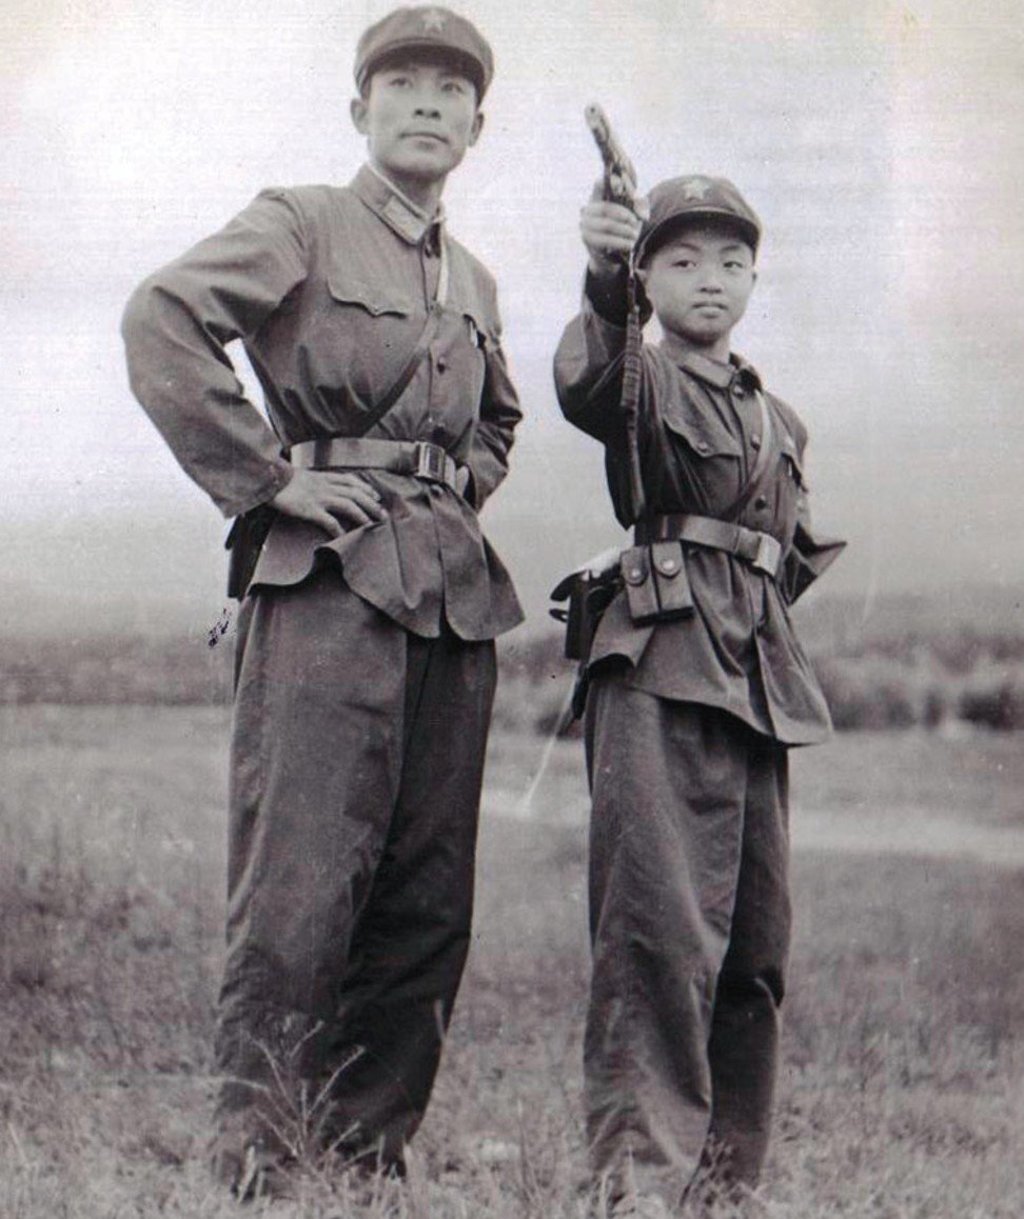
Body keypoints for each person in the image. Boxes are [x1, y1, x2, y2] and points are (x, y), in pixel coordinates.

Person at [121, 5, 522, 1197]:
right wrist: (268, 481)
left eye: (451, 90)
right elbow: (163, 317)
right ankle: (258, 1157)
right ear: (361, 110)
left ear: (476, 126)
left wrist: (451, 494)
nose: (426, 103)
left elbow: (497, 422)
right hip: (327, 591)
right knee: (299, 881)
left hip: (449, 606)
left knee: (426, 895)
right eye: (402, 82)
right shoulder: (302, 219)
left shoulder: (479, 277)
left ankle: (363, 1151)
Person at [553, 174, 845, 1216]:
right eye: (679, 260)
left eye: (728, 261)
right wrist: (600, 280)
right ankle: (637, 1188)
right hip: (661, 670)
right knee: (655, 939)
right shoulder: (638, 378)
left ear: (755, 277)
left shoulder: (780, 420)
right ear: (646, 276)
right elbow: (587, 377)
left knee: (756, 949)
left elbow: (788, 556)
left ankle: (728, 1187)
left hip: (755, 679)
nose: (708, 280)